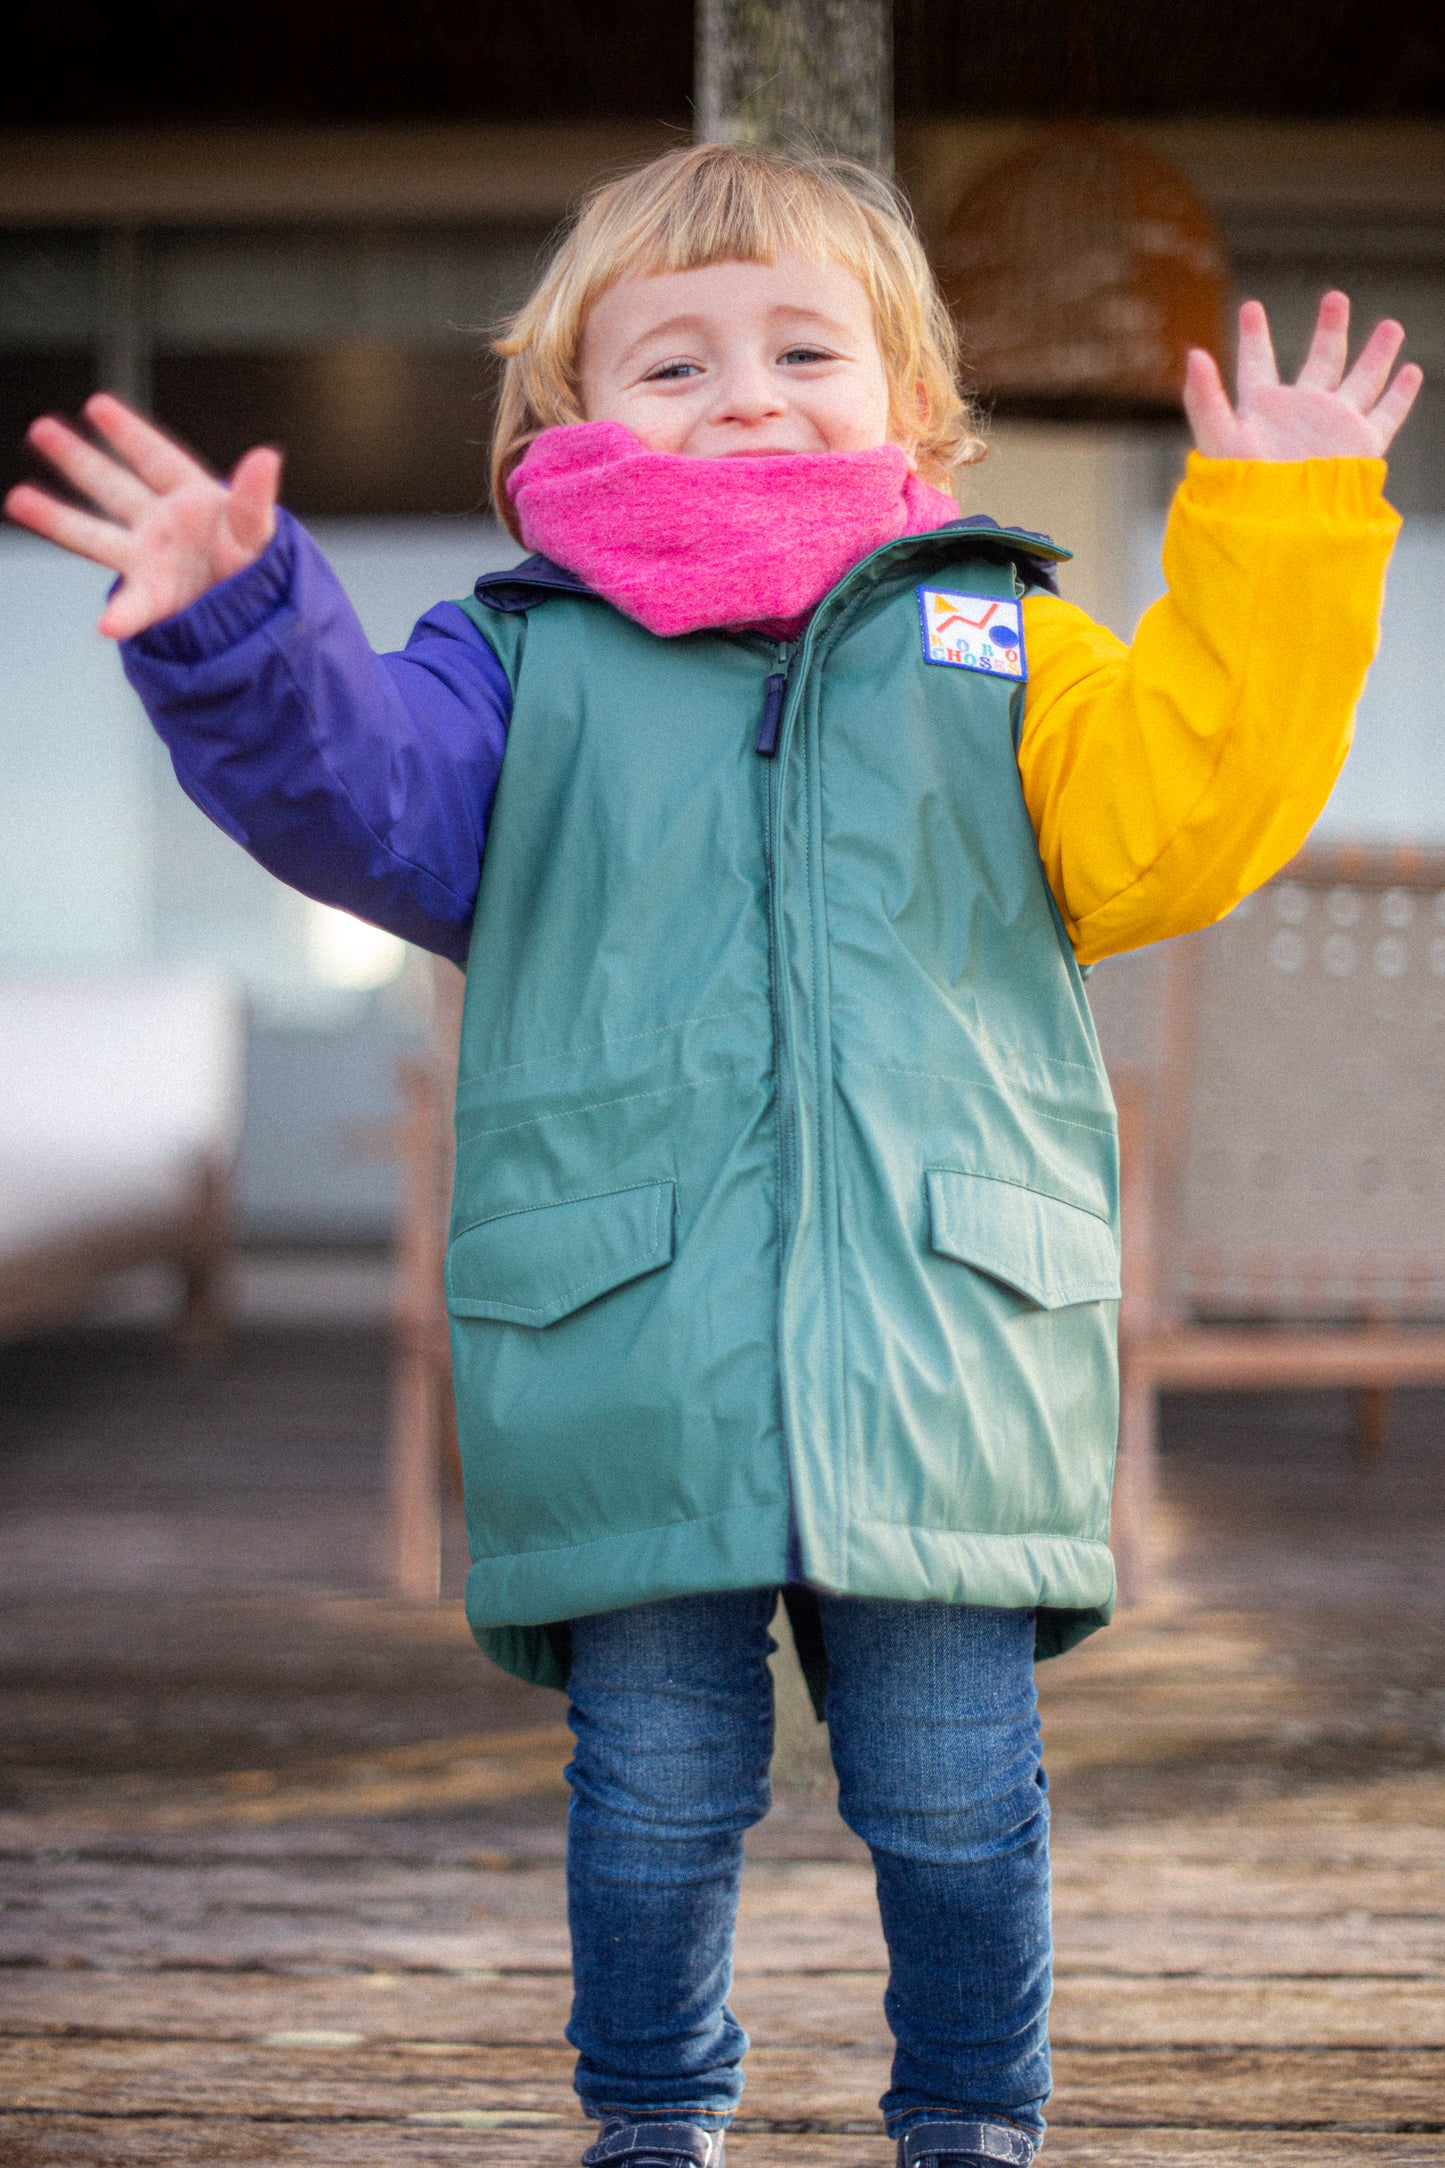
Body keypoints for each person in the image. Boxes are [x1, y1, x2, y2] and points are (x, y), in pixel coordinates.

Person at [5, 144, 1417, 2168]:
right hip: (623, 1325)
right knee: (654, 1791)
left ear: (912, 405)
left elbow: (1181, 815)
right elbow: (367, 800)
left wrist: (1275, 535)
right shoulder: (517, 662)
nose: (745, 392)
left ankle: (969, 2124)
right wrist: (241, 632)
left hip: (944, 1325)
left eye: (802, 347)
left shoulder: (1005, 645)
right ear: (565, 419)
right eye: (669, 363)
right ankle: (653, 2123)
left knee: (954, 1792)